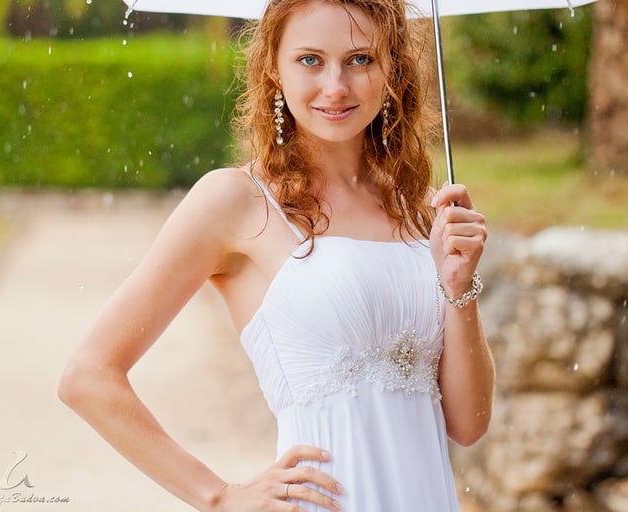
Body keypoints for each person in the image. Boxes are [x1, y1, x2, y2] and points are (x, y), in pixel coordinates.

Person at [58, 0, 495, 510]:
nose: (335, 86)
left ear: (392, 67)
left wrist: (459, 288)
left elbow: (468, 425)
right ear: (273, 69)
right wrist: (219, 496)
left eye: (360, 60)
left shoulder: (424, 211)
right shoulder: (235, 202)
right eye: (310, 60)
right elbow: (87, 376)